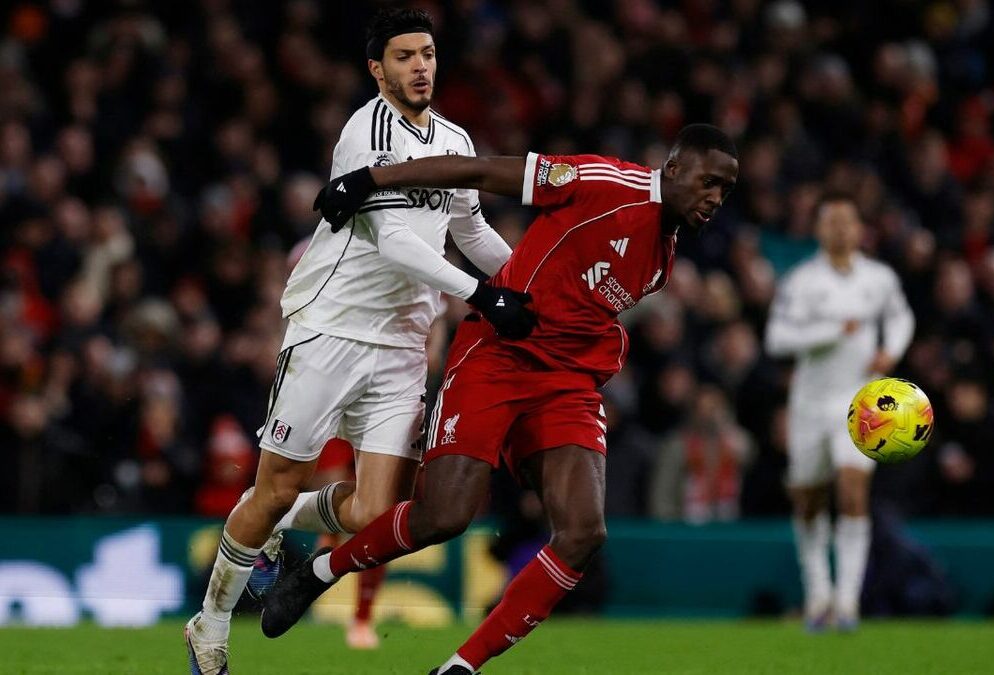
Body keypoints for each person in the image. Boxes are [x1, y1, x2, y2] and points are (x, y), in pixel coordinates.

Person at [261, 123, 739, 675]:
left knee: (584, 533)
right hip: (497, 357)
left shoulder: (665, 254)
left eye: (725, 192)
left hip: (568, 382)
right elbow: (481, 172)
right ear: (673, 169)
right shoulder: (603, 182)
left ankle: (460, 668)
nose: (715, 199)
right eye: (709, 182)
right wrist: (369, 178)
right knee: (443, 515)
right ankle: (325, 570)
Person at [184, 8, 535, 674]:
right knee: (276, 485)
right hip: (331, 330)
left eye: (427, 53)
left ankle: (279, 526)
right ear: (377, 69)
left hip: (404, 344)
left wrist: (528, 283)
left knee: (376, 510)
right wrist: (484, 294)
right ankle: (212, 623)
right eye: (404, 56)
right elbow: (393, 241)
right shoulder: (365, 133)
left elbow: (472, 230)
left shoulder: (456, 139)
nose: (421, 66)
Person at [764, 191, 915, 631]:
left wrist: (891, 350)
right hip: (810, 404)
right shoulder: (801, 281)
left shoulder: (879, 278)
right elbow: (776, 339)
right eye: (831, 222)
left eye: (847, 222)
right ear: (818, 229)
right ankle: (818, 595)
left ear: (859, 229)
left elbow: (902, 317)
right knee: (809, 501)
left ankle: (848, 602)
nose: (840, 230)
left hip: (861, 402)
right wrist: (830, 332)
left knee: (852, 492)